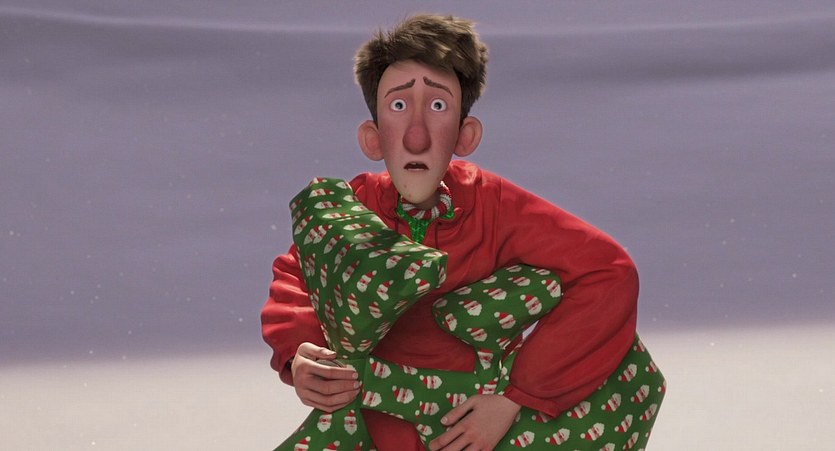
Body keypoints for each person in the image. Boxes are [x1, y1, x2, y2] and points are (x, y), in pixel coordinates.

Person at [261, 14, 638, 450]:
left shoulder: (495, 205)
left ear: (465, 134)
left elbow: (608, 270)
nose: (416, 137)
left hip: (472, 426)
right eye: (398, 107)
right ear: (373, 138)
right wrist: (300, 352)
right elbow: (298, 273)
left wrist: (518, 397)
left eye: (438, 106)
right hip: (374, 417)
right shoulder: (353, 206)